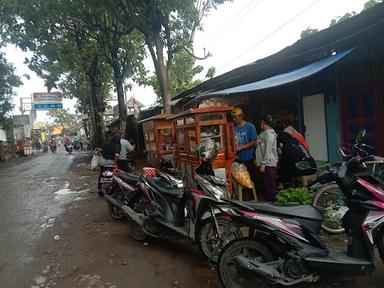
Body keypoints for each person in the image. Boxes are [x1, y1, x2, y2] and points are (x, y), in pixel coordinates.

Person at [232, 107, 258, 187]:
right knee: (239, 180)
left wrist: (241, 147)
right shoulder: (233, 127)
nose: (233, 119)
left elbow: (254, 141)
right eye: (232, 117)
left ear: (241, 116)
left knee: (250, 180)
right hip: (236, 159)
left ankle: (252, 197)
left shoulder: (250, 126)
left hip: (248, 158)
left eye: (235, 117)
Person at [255, 114, 278, 202]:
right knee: (265, 185)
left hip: (268, 164)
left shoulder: (269, 135)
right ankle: (268, 203)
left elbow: (267, 151)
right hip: (263, 163)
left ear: (263, 123)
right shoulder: (263, 133)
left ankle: (272, 204)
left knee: (269, 186)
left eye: (261, 122)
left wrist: (263, 164)